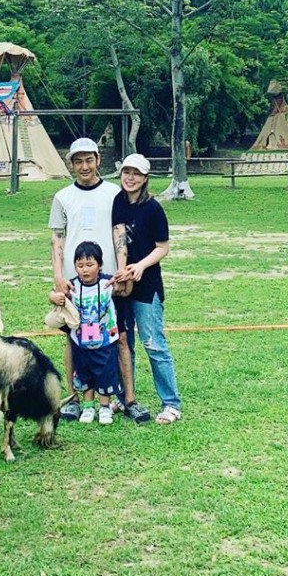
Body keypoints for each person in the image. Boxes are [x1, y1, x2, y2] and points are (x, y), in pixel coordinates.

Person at [49, 137, 151, 423]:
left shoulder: (113, 193)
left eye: (89, 160)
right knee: (73, 338)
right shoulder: (62, 197)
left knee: (119, 338)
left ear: (98, 160)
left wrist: (122, 271)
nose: (84, 166)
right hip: (74, 282)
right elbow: (57, 238)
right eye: (78, 161)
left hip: (108, 282)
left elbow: (119, 233)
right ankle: (74, 398)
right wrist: (58, 276)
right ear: (72, 164)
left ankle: (128, 398)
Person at [112, 153, 183, 424]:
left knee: (153, 343)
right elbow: (119, 235)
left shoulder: (153, 209)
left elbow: (163, 247)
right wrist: (123, 272)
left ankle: (171, 403)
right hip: (123, 284)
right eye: (126, 172)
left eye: (136, 174)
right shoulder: (118, 202)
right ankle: (124, 396)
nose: (130, 178)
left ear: (145, 178)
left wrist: (140, 266)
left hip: (148, 287)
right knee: (123, 342)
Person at [49, 242, 120, 424]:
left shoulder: (108, 283)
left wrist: (125, 276)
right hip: (80, 341)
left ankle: (104, 407)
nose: (85, 270)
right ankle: (88, 407)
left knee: (105, 373)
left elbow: (125, 290)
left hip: (105, 341)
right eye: (80, 266)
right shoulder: (71, 286)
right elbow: (54, 294)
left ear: (100, 265)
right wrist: (53, 297)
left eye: (90, 265)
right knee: (84, 373)